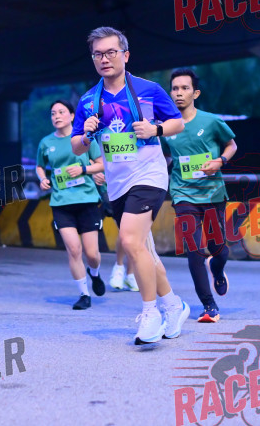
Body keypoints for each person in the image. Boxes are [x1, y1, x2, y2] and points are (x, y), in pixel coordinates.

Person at [72, 26, 190, 345]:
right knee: (144, 251)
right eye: (98, 54)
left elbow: (178, 122)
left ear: (125, 55)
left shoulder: (149, 90)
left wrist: (155, 129)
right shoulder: (88, 100)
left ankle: (150, 314)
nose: (104, 59)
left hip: (149, 175)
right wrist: (87, 134)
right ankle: (174, 306)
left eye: (111, 52)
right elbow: (77, 146)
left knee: (129, 240)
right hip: (117, 184)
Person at [162, 68, 237, 323]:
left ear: (195, 93)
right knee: (194, 251)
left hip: (213, 193)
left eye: (184, 88)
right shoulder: (166, 127)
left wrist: (220, 161)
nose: (179, 93)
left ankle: (217, 268)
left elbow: (232, 145)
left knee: (219, 250)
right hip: (183, 195)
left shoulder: (211, 121)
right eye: (175, 88)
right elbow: (164, 156)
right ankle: (209, 306)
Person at [36, 100, 106, 309]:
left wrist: (84, 170)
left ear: (72, 116)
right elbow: (40, 166)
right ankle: (84, 295)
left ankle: (94, 273)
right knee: (74, 250)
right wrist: (42, 178)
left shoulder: (85, 138)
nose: (56, 116)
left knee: (92, 254)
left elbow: (101, 163)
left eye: (61, 112)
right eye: (53, 113)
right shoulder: (46, 142)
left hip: (87, 200)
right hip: (61, 202)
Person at [93, 167, 139, 292]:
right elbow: (89, 158)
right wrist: (94, 170)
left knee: (135, 231)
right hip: (111, 185)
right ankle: (119, 266)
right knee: (125, 229)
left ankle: (130, 274)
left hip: (137, 182)